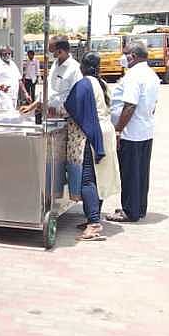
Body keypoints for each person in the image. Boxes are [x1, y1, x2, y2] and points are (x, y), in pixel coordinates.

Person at [64, 52, 120, 241]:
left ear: (83, 66)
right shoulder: (102, 83)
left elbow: (71, 105)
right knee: (99, 178)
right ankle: (92, 217)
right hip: (106, 132)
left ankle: (94, 224)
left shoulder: (84, 83)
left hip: (92, 135)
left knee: (87, 179)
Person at [107, 39, 160, 223]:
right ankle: (139, 208)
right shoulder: (151, 75)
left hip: (131, 133)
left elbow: (129, 106)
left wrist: (118, 130)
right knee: (141, 172)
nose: (123, 57)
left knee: (129, 173)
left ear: (133, 56)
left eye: (125, 53)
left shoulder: (134, 76)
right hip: (145, 130)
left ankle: (129, 210)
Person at [47, 36, 82, 114]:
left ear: (60, 51)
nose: (50, 54)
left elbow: (75, 96)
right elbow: (50, 88)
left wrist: (60, 108)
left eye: (52, 52)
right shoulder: (54, 64)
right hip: (50, 112)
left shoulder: (75, 68)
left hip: (65, 114)